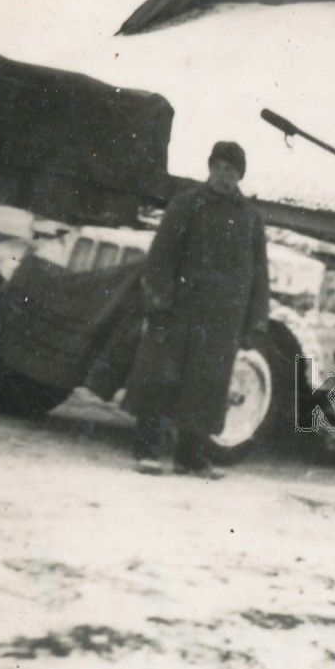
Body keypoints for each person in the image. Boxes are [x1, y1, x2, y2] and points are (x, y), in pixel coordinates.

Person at [125, 141, 270, 479]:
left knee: (207, 386)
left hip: (223, 319)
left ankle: (190, 458)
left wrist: (256, 320)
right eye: (218, 167)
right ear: (209, 168)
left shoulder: (250, 218)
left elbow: (259, 273)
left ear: (240, 175)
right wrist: (159, 302)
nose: (223, 175)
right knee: (162, 379)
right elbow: (161, 257)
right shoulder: (186, 204)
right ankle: (147, 451)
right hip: (179, 311)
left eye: (230, 170)